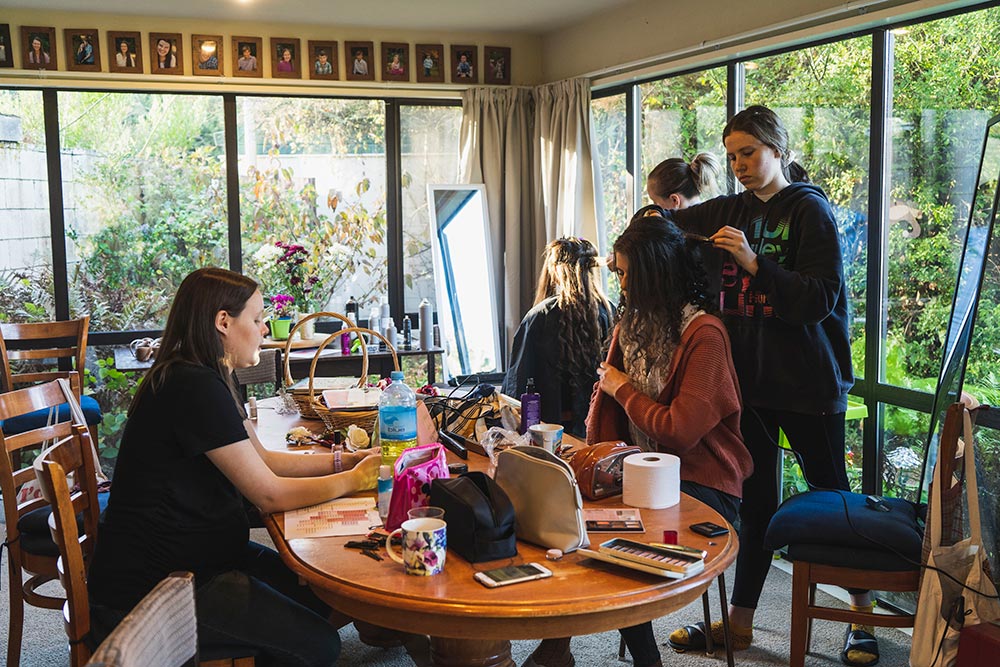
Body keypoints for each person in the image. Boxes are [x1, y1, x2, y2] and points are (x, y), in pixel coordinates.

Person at [86, 267, 382, 665]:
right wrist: (352, 480)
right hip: (161, 585)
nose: (264, 329)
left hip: (206, 555)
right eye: (257, 319)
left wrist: (343, 460)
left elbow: (263, 458)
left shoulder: (207, 374)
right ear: (223, 322)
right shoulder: (191, 385)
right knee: (319, 644)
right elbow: (267, 492)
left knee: (324, 596)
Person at [659, 106, 868, 666]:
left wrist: (753, 263)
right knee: (756, 507)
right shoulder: (733, 208)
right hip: (750, 387)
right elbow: (668, 225)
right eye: (731, 156)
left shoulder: (809, 211)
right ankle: (741, 624)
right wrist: (639, 244)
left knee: (836, 500)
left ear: (778, 148)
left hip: (808, 383)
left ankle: (862, 618)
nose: (739, 165)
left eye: (748, 152)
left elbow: (816, 299)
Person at [524, 220, 752, 667]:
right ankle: (558, 649)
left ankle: (630, 660)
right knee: (568, 520)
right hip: (640, 473)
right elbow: (602, 407)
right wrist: (591, 471)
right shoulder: (632, 323)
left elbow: (678, 430)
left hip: (703, 485)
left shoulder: (705, 336)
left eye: (626, 273)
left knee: (615, 543)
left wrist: (623, 388)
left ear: (652, 274)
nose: (619, 281)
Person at [502, 237, 613, 438]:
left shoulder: (539, 316)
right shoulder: (610, 312)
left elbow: (516, 389)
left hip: (549, 433)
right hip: (601, 430)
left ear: (554, 271)